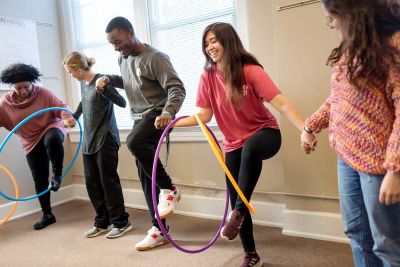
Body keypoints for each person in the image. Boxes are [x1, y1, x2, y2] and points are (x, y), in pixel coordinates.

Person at [174, 22, 309, 267]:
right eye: (206, 43)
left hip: (265, 134)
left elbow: (283, 105)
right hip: (233, 144)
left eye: (214, 40)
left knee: (249, 156)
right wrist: (173, 124)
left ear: (228, 40)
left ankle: (237, 211)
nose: (209, 47)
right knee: (239, 195)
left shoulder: (251, 71)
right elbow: (204, 117)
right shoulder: (207, 77)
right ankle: (251, 253)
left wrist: (306, 130)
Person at [301, 1, 400, 266]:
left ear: (352, 14)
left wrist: (395, 169)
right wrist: (310, 126)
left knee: (388, 242)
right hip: (346, 155)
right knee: (356, 233)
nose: (331, 24)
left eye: (332, 17)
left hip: (380, 165)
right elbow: (340, 99)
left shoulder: (393, 46)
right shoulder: (351, 47)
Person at [96, 16, 186, 250]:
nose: (116, 47)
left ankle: (170, 189)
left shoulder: (156, 58)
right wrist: (107, 79)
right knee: (146, 177)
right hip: (139, 118)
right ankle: (159, 229)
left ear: (130, 32)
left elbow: (177, 88)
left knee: (134, 142)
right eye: (112, 44)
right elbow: (128, 81)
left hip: (157, 115)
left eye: (118, 41)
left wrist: (168, 112)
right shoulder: (122, 58)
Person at [62, 51, 132, 238]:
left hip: (106, 138)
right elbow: (84, 102)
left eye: (70, 71)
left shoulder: (102, 80)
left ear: (77, 69)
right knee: (92, 182)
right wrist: (73, 118)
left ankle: (121, 222)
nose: (70, 75)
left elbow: (122, 102)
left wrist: (104, 89)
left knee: (108, 181)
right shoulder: (84, 85)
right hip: (89, 139)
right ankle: (103, 221)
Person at [0, 63, 76, 230]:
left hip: (50, 127)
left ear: (32, 82)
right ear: (12, 86)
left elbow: (62, 108)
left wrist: (66, 118)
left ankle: (57, 175)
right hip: (29, 139)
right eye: (18, 88)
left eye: (25, 86)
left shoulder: (43, 93)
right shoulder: (6, 103)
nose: (22, 91)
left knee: (52, 139)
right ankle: (47, 214)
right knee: (39, 178)